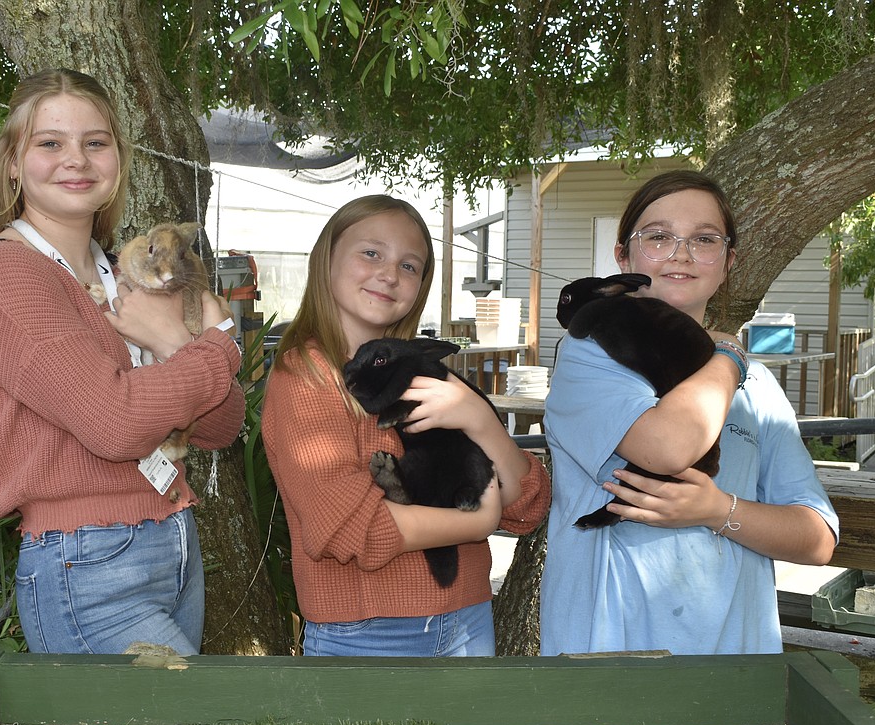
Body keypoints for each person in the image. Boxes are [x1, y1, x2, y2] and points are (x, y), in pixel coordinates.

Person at [0, 68, 244, 656]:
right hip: (87, 560)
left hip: (173, 541)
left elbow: (221, 424)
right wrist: (215, 346)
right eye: (49, 143)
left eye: (96, 142)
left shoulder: (123, 275)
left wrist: (172, 344)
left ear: (118, 157)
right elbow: (116, 424)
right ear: (12, 162)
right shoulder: (3, 273)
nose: (76, 159)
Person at [540, 170, 839, 656]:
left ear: (727, 262)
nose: (680, 253)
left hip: (734, 664)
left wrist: (718, 511)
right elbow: (668, 447)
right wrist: (729, 357)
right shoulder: (588, 356)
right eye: (658, 237)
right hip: (607, 661)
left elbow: (817, 538)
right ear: (623, 258)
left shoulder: (757, 386)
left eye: (704, 239)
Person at [262, 194, 551, 657]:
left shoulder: (428, 375)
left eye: (410, 265)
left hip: (469, 619)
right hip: (367, 632)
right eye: (371, 253)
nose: (390, 274)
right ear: (326, 257)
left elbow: (528, 506)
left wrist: (481, 422)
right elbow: (349, 528)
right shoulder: (306, 378)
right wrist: (478, 520)